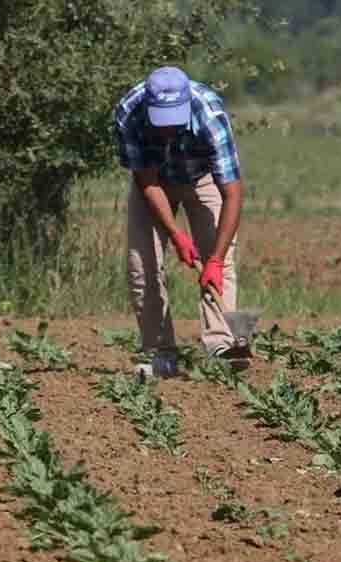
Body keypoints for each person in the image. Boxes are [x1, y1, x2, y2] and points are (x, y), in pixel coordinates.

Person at [114, 66, 247, 378]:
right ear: (148, 107)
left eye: (174, 122)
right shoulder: (128, 115)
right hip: (156, 183)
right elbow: (146, 181)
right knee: (142, 264)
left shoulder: (210, 115)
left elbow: (233, 193)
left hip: (204, 179)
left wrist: (212, 258)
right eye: (161, 122)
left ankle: (224, 347)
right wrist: (176, 234)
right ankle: (160, 353)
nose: (168, 131)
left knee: (221, 261)